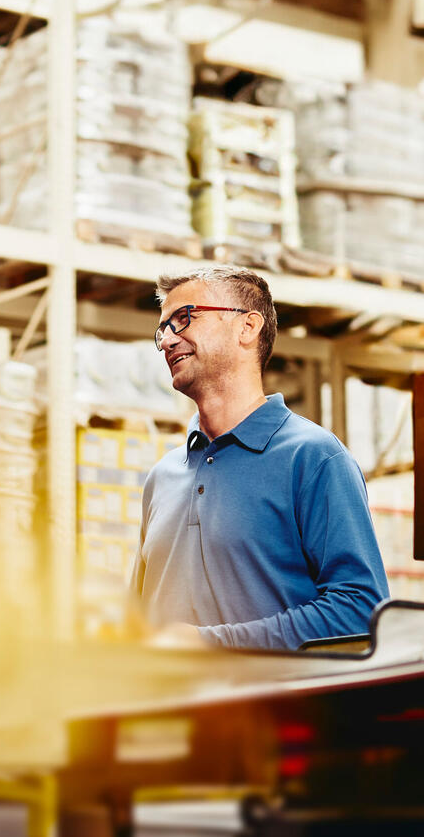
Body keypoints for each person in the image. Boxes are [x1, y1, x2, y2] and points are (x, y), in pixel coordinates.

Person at [132, 264, 388, 650]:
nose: (167, 340)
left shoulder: (313, 458)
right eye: (163, 329)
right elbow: (138, 619)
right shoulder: (162, 477)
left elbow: (359, 610)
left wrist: (212, 644)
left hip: (274, 708)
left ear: (247, 328)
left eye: (184, 319)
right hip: (167, 709)